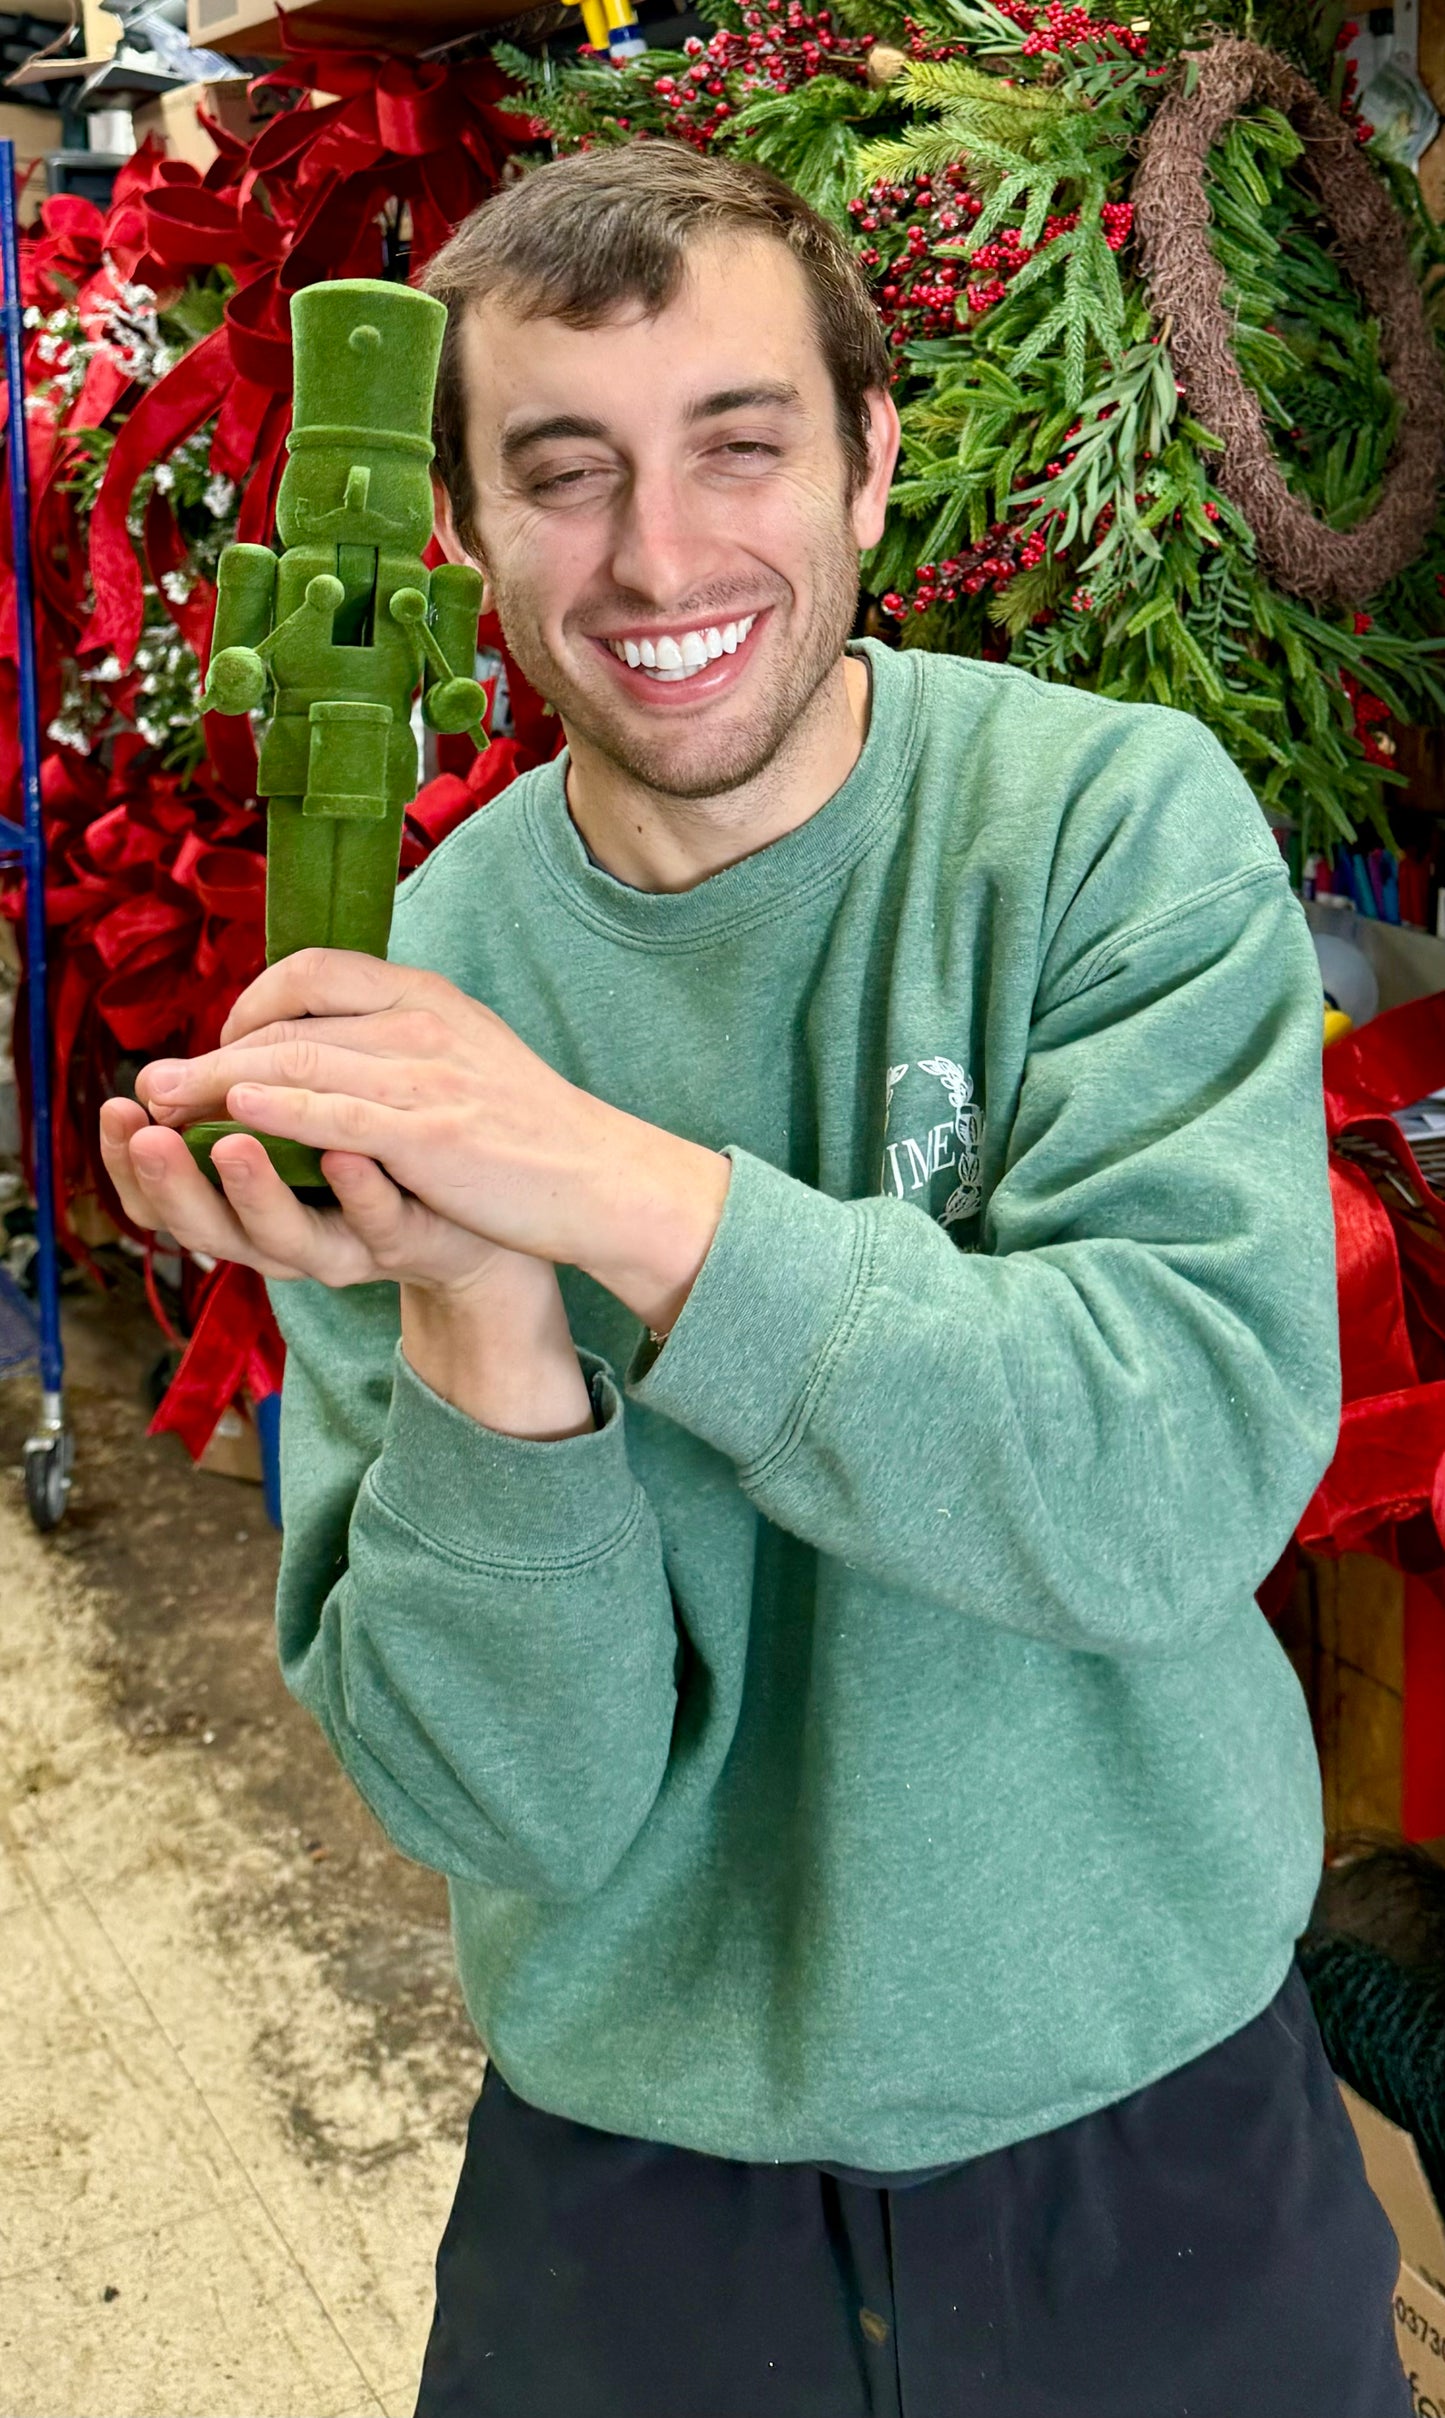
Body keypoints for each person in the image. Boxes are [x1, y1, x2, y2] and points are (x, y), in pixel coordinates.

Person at [100, 145, 1409, 2418]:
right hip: (630, 2201)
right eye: (566, 475)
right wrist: (483, 1317)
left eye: (740, 445)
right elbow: (501, 1809)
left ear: (873, 464)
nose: (661, 558)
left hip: (1156, 2140)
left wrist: (602, 1184)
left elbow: (1168, 1483)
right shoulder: (407, 998)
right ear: (466, 538)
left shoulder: (1106, 829)